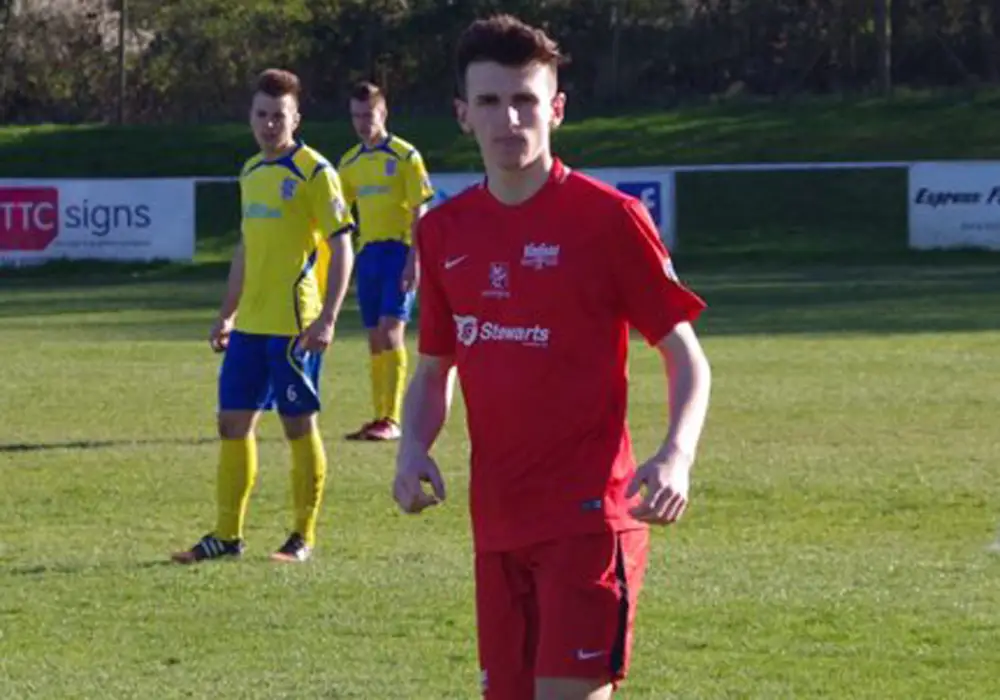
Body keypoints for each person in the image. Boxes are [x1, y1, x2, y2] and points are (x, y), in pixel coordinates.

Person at [392, 15, 712, 700]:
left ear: (557, 109)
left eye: (526, 100)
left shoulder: (610, 220)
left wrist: (677, 453)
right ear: (461, 114)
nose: (509, 118)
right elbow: (434, 367)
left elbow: (687, 356)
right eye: (489, 101)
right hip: (496, 525)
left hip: (590, 521)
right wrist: (413, 445)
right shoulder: (443, 232)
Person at [172, 68, 355, 565]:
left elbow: (342, 247)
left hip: (296, 329)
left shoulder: (316, 172)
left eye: (279, 116)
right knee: (232, 425)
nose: (270, 124)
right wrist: (226, 314)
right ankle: (227, 537)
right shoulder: (251, 171)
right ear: (250, 117)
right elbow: (245, 250)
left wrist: (329, 318)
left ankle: (302, 536)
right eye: (261, 115)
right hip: (250, 328)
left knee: (298, 428)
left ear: (296, 118)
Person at [337, 81, 436, 442]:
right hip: (369, 255)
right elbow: (340, 217)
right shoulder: (348, 163)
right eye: (356, 116)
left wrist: (416, 259)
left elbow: (420, 211)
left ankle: (393, 419)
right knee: (375, 337)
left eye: (369, 115)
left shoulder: (405, 156)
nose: (363, 123)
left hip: (399, 251)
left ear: (384, 113)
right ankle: (378, 414)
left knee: (391, 330)